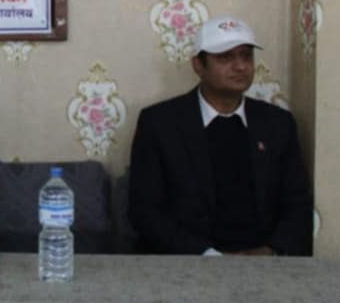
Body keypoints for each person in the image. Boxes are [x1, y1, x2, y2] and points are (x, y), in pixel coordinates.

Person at [127, 16, 313, 256]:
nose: (240, 66)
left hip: (263, 263)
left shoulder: (277, 124)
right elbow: (144, 212)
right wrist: (210, 256)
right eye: (225, 57)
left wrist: (270, 251)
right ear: (198, 65)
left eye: (246, 56)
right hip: (187, 261)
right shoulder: (160, 123)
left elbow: (297, 204)